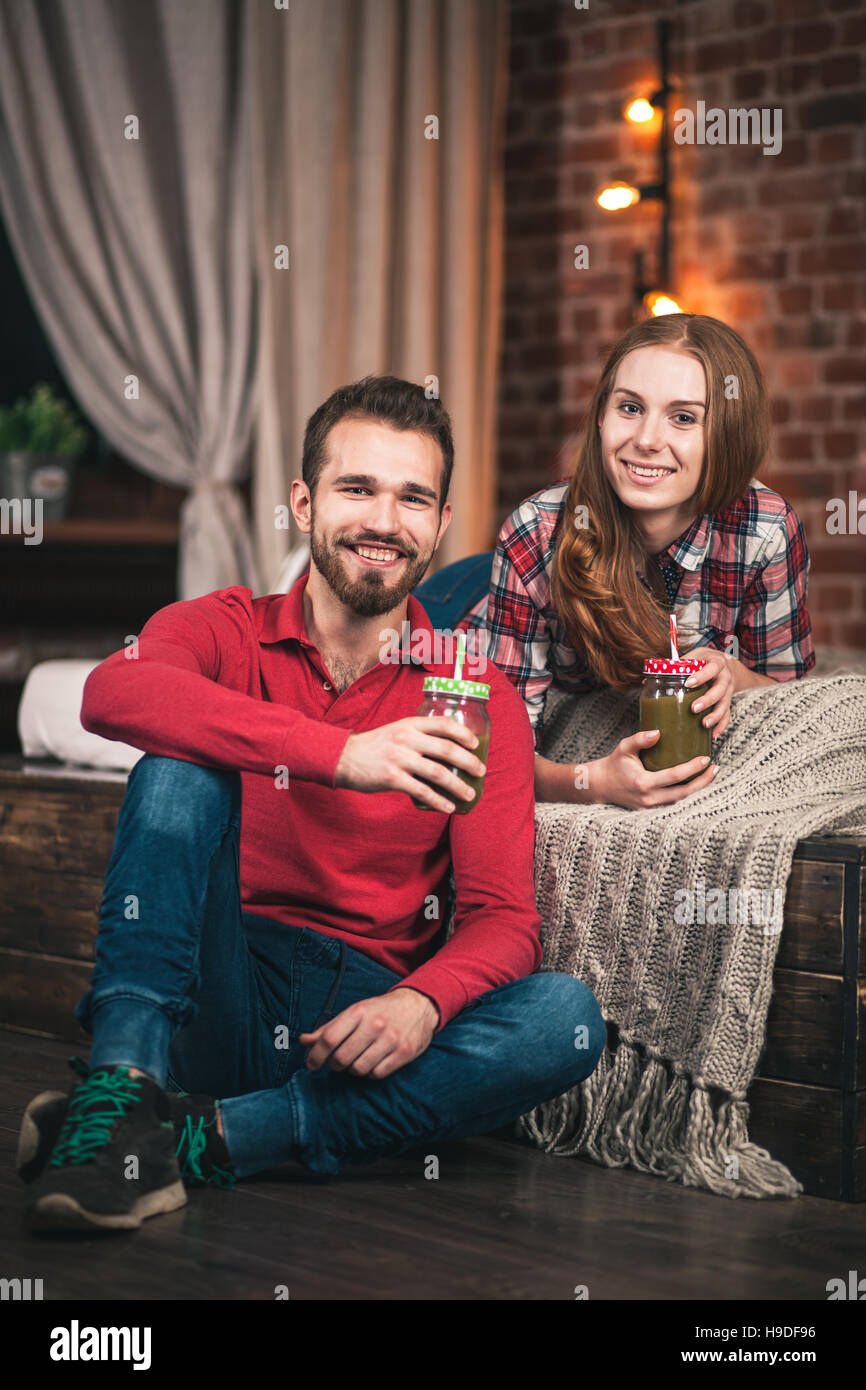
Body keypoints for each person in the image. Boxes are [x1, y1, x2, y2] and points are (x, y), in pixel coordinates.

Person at [17, 375, 606, 1232]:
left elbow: (502, 918)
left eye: (413, 498)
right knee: (178, 770)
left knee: (565, 1019)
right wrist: (342, 756)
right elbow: (112, 694)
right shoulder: (223, 627)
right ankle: (124, 1083)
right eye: (356, 488)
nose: (383, 521)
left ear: (440, 525)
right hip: (223, 991)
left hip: (362, 1023)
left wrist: (423, 1003)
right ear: (303, 503)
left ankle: (188, 1138)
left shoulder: (474, 691)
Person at [457, 314, 815, 810]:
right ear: (602, 416)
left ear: (729, 433)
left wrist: (733, 673)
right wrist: (594, 783)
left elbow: (792, 700)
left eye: (684, 417)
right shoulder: (535, 530)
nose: (647, 439)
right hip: (462, 605)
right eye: (630, 407)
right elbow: (491, 755)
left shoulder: (766, 530)